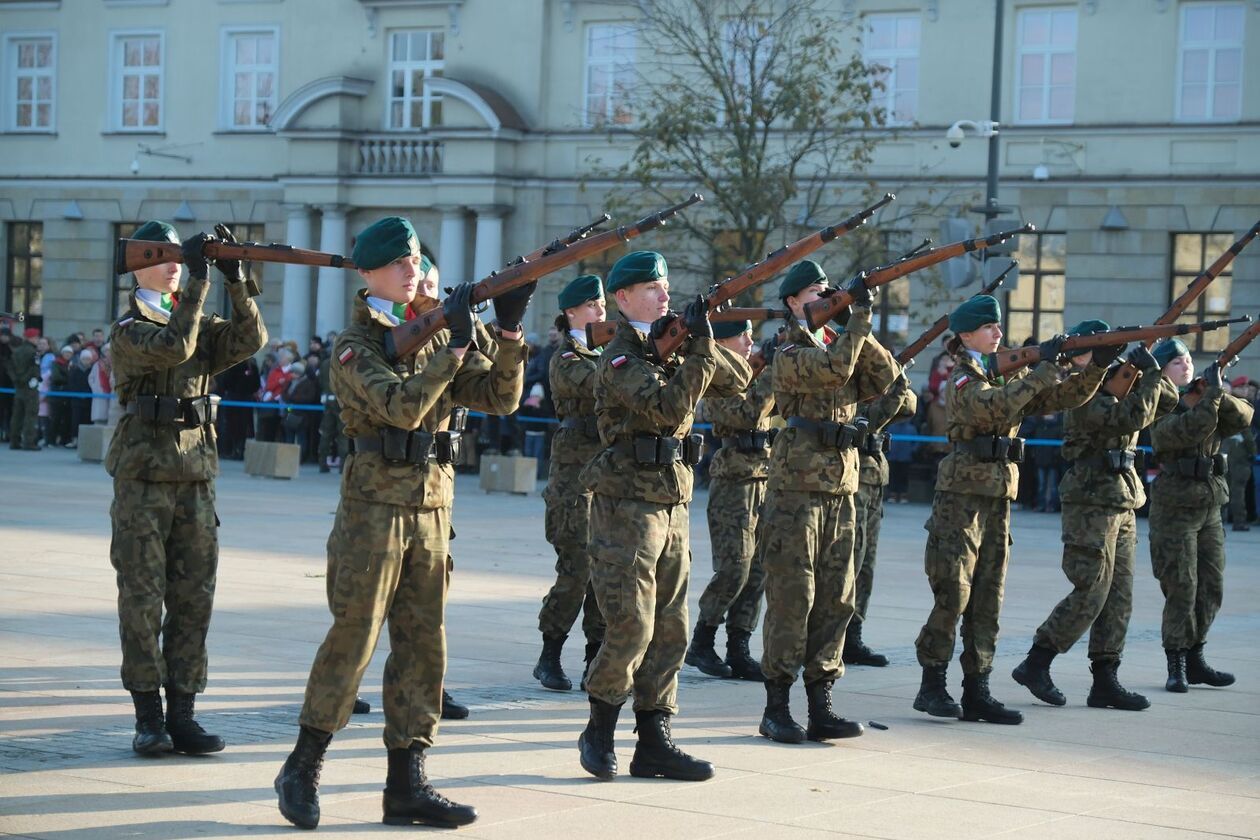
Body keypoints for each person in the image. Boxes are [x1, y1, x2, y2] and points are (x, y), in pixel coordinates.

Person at [274, 217, 529, 830]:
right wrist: (456, 346)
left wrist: (510, 331)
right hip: (374, 510)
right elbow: (401, 408)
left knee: (423, 647)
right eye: (397, 263)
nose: (412, 270)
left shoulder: (437, 333)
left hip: (433, 507)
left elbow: (501, 398)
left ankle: (407, 783)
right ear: (367, 275)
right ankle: (303, 765)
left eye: (414, 259)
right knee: (354, 640)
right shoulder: (353, 346)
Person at [575, 250, 748, 782]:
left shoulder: (668, 349)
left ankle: (654, 737)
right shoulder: (620, 357)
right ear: (623, 298)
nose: (665, 294)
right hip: (626, 504)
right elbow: (670, 409)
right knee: (632, 623)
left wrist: (702, 338)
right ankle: (599, 726)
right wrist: (693, 349)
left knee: (671, 628)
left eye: (667, 285)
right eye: (652, 287)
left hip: (672, 502)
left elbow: (739, 379)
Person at [107, 220, 267, 756]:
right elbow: (176, 346)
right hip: (144, 478)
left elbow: (251, 340)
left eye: (183, 256)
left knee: (194, 598)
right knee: (143, 599)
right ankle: (148, 716)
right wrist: (200, 281)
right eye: (166, 255)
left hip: (195, 475)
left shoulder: (194, 315)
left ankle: (183, 713)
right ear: (139, 262)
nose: (176, 263)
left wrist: (236, 278)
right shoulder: (129, 328)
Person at [912, 295, 1105, 726]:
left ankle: (977, 689)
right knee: (954, 593)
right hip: (961, 497)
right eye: (989, 327)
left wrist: (1097, 367)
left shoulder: (1006, 376)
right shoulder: (963, 376)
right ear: (965, 335)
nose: (999, 333)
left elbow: (1061, 398)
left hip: (997, 497)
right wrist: (1042, 369)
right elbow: (990, 408)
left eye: (999, 327)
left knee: (988, 597)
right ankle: (932, 684)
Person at [755, 260, 900, 745]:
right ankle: (777, 706)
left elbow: (885, 378)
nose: (825, 297)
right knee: (793, 598)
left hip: (842, 485)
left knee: (837, 599)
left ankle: (822, 704)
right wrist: (854, 319)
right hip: (796, 487)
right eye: (817, 293)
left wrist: (852, 314)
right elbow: (834, 371)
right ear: (795, 302)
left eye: (828, 291)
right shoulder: (788, 347)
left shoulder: (836, 338)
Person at [1012, 324, 1177, 713]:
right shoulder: (1082, 393)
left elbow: (1166, 404)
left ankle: (1105, 679)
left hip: (1122, 497)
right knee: (1092, 589)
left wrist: (1146, 372)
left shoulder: (1118, 380)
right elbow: (1130, 419)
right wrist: (1150, 376)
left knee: (1118, 596)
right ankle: (1037, 661)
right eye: (1099, 351)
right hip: (1090, 500)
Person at [1147, 338, 1253, 692]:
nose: (1186, 365)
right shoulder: (1158, 402)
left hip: (1210, 506)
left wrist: (1217, 388)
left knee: (1211, 585)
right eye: (1176, 362)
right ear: (1161, 370)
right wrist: (1211, 397)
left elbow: (1244, 418)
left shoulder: (1205, 396)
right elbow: (1185, 430)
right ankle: (1176, 662)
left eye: (1188, 359)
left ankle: (1195, 657)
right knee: (1182, 586)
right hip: (1175, 507)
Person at [686, 318, 775, 682]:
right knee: (734, 567)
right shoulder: (717, 378)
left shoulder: (754, 373)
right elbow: (747, 413)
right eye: (743, 335)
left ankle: (739, 646)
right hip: (734, 482)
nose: (750, 340)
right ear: (721, 342)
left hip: (764, 479)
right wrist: (773, 373)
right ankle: (702, 640)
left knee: (757, 571)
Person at [533, 274, 607, 692]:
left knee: (604, 574)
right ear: (571, 313)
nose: (600, 311)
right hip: (573, 483)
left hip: (607, 477)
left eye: (602, 304)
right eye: (592, 305)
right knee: (575, 572)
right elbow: (604, 384)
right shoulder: (567, 357)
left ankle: (595, 656)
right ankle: (550, 653)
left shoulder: (611, 350)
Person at [845, 367, 917, 667]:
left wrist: (894, 381)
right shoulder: (847, 381)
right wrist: (896, 380)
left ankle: (853, 635)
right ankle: (835, 634)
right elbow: (875, 417)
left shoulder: (876, 383)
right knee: (852, 559)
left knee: (867, 564)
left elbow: (909, 406)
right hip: (854, 477)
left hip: (874, 477)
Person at [1221, 376, 1256, 531]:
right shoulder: (1242, 406)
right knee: (1238, 491)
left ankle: (1219, 521)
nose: (1246, 390)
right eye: (1242, 388)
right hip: (1240, 457)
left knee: (1222, 489)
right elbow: (1247, 433)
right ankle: (1239, 521)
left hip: (1223, 454)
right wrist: (1253, 452)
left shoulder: (1223, 403)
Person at [6, 327, 41, 450]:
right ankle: (29, 442)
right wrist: (26, 379)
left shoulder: (16, 351)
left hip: (19, 387)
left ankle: (14, 441)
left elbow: (9, 367)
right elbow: (34, 370)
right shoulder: (33, 352)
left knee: (17, 415)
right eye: (36, 337)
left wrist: (17, 380)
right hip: (30, 388)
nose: (37, 339)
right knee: (30, 415)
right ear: (31, 338)